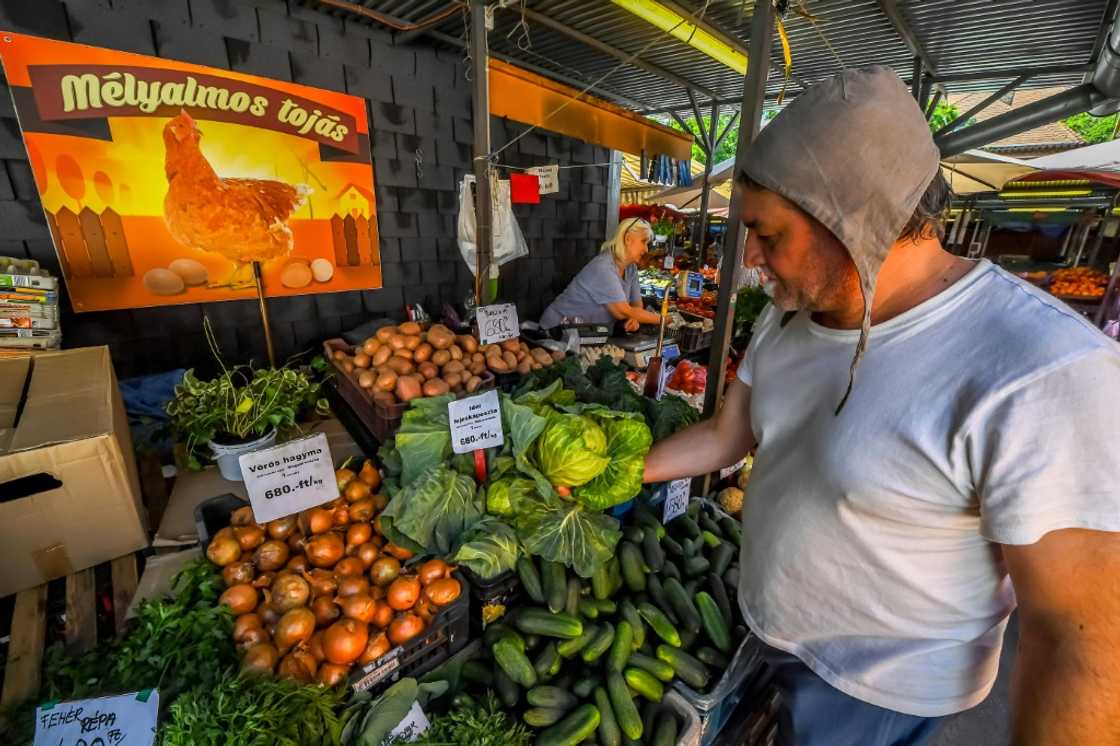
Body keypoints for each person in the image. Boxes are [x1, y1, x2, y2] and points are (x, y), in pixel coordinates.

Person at [643, 65, 1120, 746]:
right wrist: (604, 475)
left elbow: (1086, 645)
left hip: (877, 696)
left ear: (853, 220)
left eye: (769, 234)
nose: (750, 258)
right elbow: (727, 436)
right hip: (767, 638)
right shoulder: (789, 321)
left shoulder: (1039, 368)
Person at [539, 217, 664, 332]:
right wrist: (664, 320)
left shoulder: (630, 268)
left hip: (583, 333)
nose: (646, 249)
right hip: (556, 329)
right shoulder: (603, 266)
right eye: (643, 242)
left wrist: (635, 319)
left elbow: (636, 304)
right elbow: (623, 311)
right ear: (627, 239)